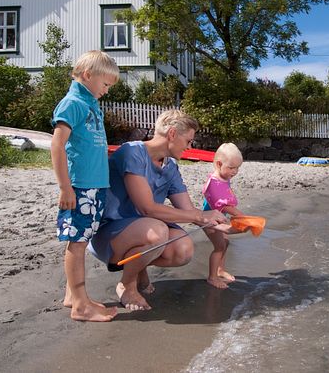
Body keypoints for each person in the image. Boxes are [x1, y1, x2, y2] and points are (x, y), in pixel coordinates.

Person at [89, 109, 228, 311]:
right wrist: (200, 215)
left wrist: (224, 226)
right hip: (109, 235)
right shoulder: (132, 152)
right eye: (188, 141)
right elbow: (147, 208)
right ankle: (127, 285)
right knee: (157, 232)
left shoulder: (170, 167)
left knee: (184, 249)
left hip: (143, 231)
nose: (190, 147)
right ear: (172, 134)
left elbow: (189, 210)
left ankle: (138, 266)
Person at [51, 50, 119, 322]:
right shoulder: (73, 103)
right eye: (105, 84)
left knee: (82, 239)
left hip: (95, 187)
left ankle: (73, 295)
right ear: (88, 76)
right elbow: (57, 145)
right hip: (80, 188)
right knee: (77, 244)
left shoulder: (90, 104)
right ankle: (80, 305)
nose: (106, 91)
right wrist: (65, 187)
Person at [201, 142, 247, 289]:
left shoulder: (224, 177)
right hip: (209, 219)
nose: (235, 172)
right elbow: (223, 205)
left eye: (237, 168)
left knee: (225, 242)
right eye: (231, 168)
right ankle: (212, 277)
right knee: (219, 246)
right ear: (219, 164)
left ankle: (220, 270)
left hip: (219, 218)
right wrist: (240, 215)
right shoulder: (213, 183)